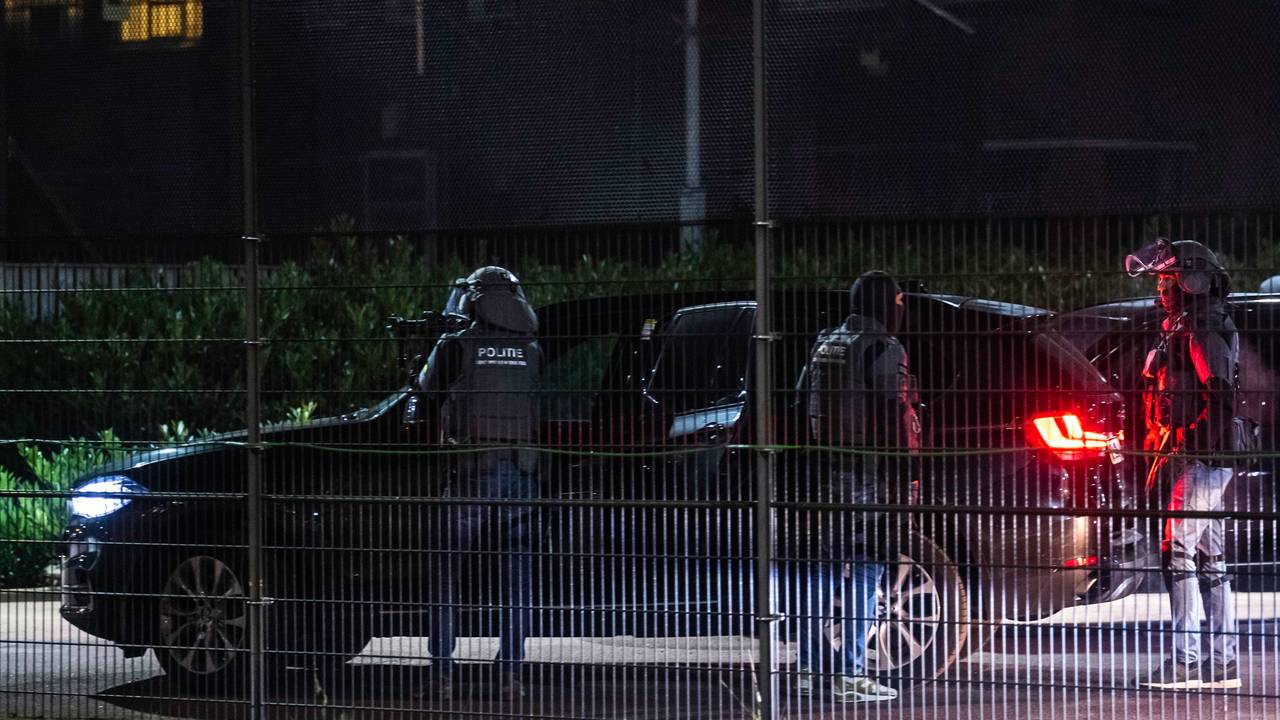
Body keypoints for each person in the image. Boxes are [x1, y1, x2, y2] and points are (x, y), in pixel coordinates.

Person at [415, 266, 543, 701]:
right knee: (516, 582)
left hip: (471, 470)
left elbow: (425, 390)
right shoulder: (532, 348)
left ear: (474, 299)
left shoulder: (459, 344)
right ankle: (511, 677)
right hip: (521, 475)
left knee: (446, 573)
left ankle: (442, 677)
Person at [792, 270, 920, 702]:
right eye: (899, 302)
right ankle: (850, 674)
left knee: (822, 573)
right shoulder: (885, 348)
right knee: (867, 570)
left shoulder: (826, 341)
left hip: (822, 473)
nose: (902, 309)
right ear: (886, 303)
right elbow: (895, 416)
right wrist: (905, 474)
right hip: (867, 476)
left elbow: (798, 399)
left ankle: (809, 668)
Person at [1126, 239, 1241, 690]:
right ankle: (1222, 662)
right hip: (1205, 461)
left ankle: (1184, 662)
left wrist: (1192, 442)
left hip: (1200, 462)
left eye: (1166, 279)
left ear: (1189, 281)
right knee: (1210, 560)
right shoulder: (1188, 325)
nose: (1160, 287)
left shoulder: (1201, 328)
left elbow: (1222, 397)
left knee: (1178, 556)